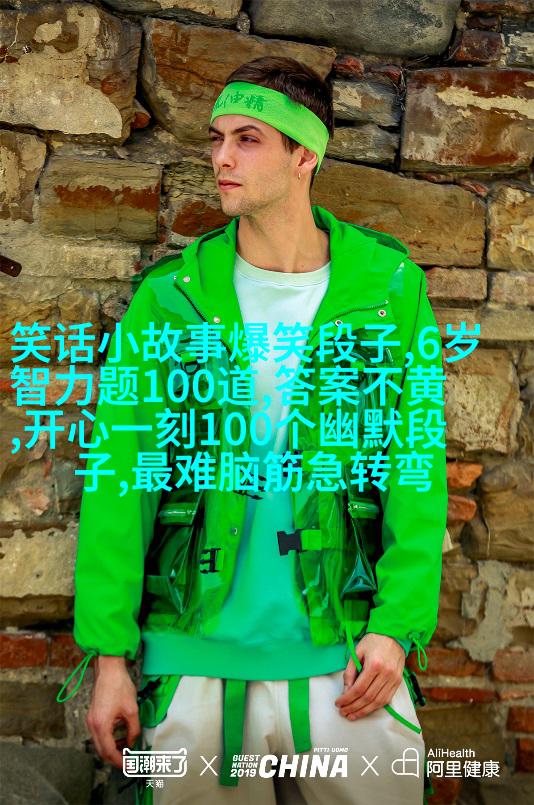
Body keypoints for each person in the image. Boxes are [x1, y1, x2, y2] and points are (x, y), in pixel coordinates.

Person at [57, 56, 448, 805]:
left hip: (347, 655)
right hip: (194, 657)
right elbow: (120, 479)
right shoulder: (172, 300)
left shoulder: (389, 291)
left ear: (306, 155)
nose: (222, 158)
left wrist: (397, 626)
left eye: (248, 139)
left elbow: (417, 468)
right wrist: (109, 657)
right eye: (217, 138)